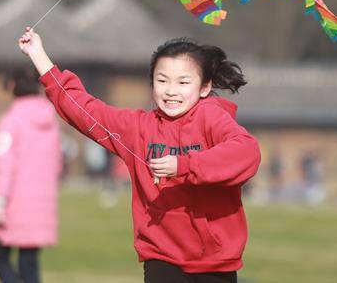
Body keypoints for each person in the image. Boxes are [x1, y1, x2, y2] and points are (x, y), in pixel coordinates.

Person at [19, 28, 261, 282]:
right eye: (162, 80)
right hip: (162, 256)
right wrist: (38, 54)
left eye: (183, 82)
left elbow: (246, 152)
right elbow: (82, 108)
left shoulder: (211, 117)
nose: (170, 91)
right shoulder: (137, 128)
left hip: (216, 260)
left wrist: (185, 164)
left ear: (204, 87)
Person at [0, 67, 61, 283]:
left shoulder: (11, 121)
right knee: (29, 263)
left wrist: (0, 201)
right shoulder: (51, 121)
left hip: (16, 201)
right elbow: (57, 163)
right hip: (42, 202)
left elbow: (5, 165)